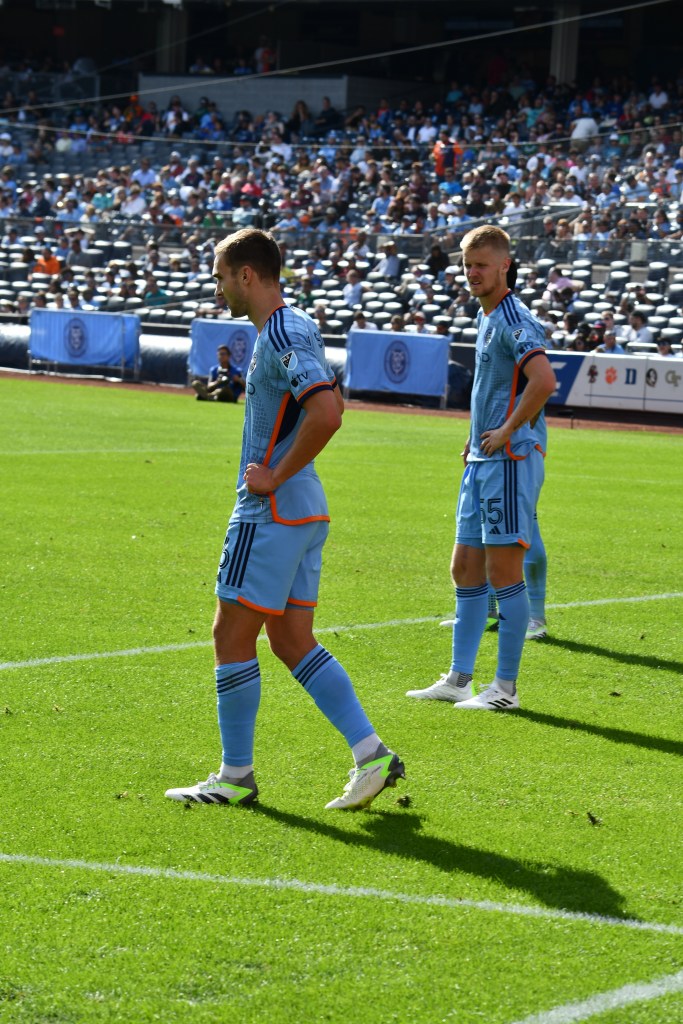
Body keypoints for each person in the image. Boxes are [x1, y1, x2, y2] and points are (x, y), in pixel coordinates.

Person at [166, 228, 404, 808]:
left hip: (271, 511)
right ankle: (372, 755)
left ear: (247, 275)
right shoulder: (295, 326)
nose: (218, 287)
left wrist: (272, 474)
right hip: (304, 509)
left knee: (230, 632)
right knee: (292, 639)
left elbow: (328, 412)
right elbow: (325, 405)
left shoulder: (280, 332)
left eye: (221, 275)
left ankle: (235, 777)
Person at [407, 225, 556, 710]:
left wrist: (507, 429)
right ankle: (458, 677)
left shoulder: (515, 319)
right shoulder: (485, 315)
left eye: (482, 265)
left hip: (508, 461)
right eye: (468, 265)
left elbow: (544, 380)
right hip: (482, 459)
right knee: (465, 567)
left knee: (502, 569)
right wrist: (476, 436)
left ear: (505, 266)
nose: (472, 273)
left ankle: (505, 689)